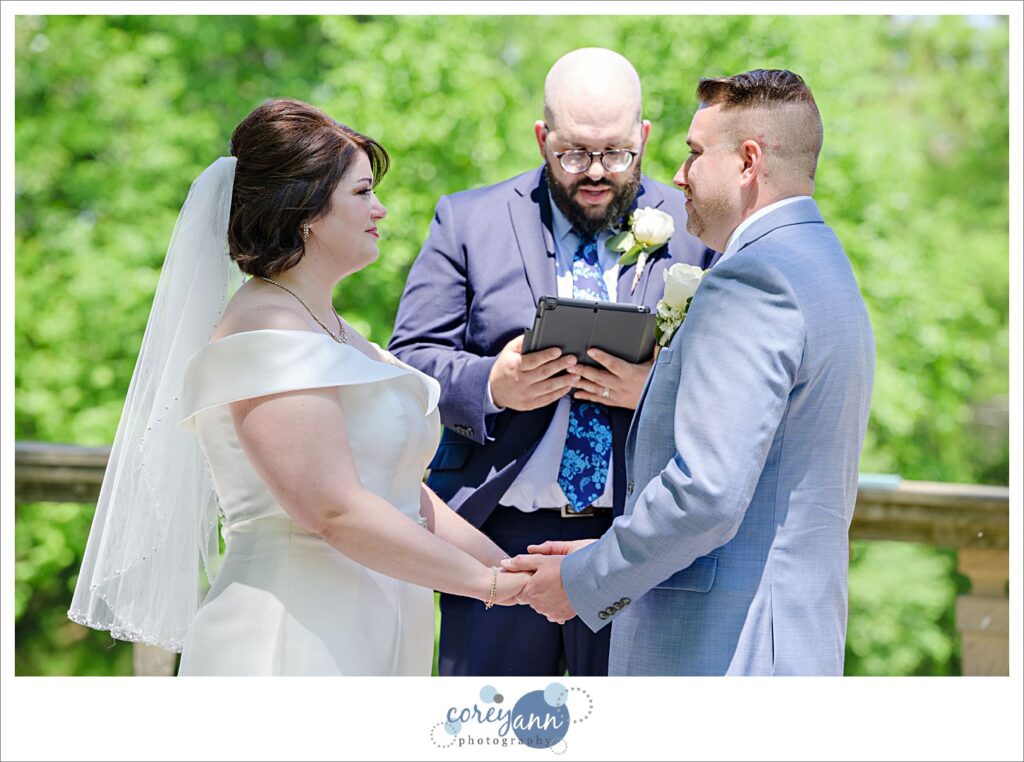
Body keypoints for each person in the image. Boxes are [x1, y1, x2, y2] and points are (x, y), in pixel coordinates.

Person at [68, 98, 531, 675]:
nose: (381, 209)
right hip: (291, 637)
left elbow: (400, 493)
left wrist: (515, 571)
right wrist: (489, 587)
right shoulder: (265, 329)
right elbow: (333, 509)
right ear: (308, 211)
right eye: (362, 192)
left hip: (375, 631)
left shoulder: (335, 330)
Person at [505, 69, 876, 676]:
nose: (679, 175)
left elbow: (706, 492)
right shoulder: (822, 263)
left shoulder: (754, 278)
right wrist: (612, 550)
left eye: (695, 153)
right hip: (787, 636)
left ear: (748, 161)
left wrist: (585, 579)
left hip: (725, 649)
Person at [388, 48, 714, 676]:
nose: (595, 173)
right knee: (492, 724)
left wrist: (656, 390)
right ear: (542, 138)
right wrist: (493, 384)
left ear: (645, 137)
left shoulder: (698, 229)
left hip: (636, 542)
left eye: (616, 154)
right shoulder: (468, 220)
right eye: (573, 154)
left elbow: (731, 378)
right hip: (494, 540)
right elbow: (409, 362)